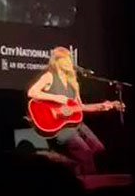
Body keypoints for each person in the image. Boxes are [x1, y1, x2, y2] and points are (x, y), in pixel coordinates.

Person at [27, 46, 117, 175]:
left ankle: (71, 168)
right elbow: (32, 92)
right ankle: (85, 180)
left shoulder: (74, 83)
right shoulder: (49, 76)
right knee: (85, 152)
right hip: (60, 127)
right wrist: (56, 97)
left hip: (76, 124)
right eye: (65, 59)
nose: (69, 62)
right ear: (57, 61)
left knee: (99, 149)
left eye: (70, 59)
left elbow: (80, 107)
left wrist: (102, 106)